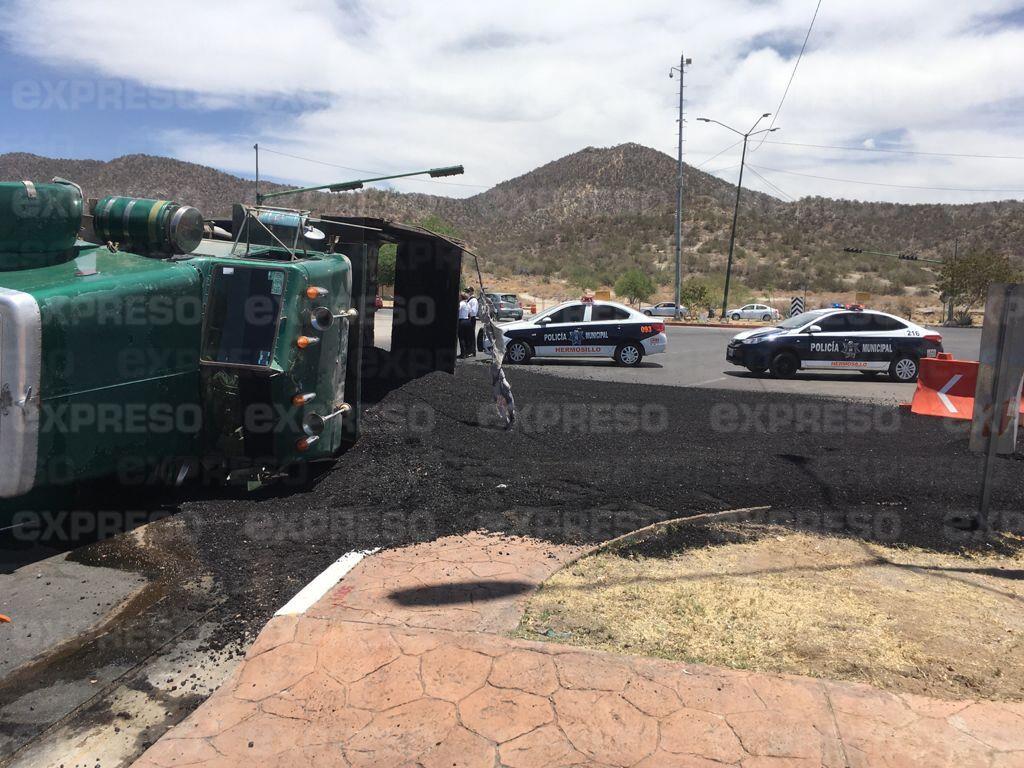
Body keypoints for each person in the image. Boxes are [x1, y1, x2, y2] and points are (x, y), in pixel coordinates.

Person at [457, 292, 472, 358]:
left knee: (461, 338)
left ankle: (463, 354)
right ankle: (466, 353)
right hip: (467, 321)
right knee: (467, 338)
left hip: (462, 321)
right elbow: (470, 313)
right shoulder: (467, 304)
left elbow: (457, 310)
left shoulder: (461, 303)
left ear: (461, 297)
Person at [466, 287, 479, 357]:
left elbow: (473, 311)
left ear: (472, 292)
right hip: (468, 318)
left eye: (468, 291)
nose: (467, 292)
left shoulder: (473, 300)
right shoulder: (469, 299)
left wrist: (467, 312)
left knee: (471, 335)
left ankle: (472, 351)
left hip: (471, 318)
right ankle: (468, 350)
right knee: (468, 335)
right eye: (467, 291)